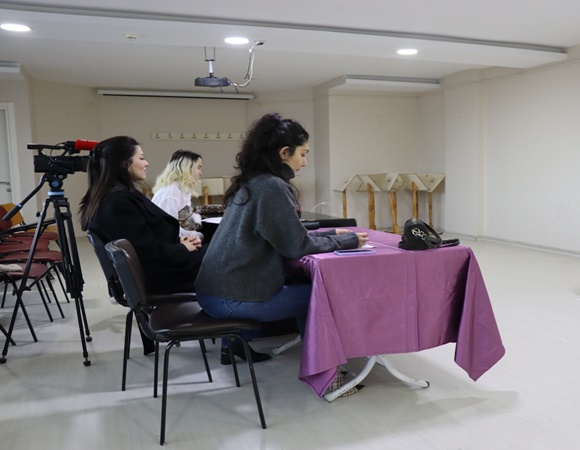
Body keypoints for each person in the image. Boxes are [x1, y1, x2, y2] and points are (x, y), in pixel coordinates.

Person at [195, 113, 367, 390]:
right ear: (284, 153)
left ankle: (232, 346)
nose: (305, 162)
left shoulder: (253, 182)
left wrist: (331, 234)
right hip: (229, 300)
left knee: (304, 284)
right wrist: (348, 241)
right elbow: (295, 246)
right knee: (320, 294)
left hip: (211, 292)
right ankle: (326, 375)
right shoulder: (272, 186)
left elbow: (286, 236)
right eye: (303, 154)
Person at [79, 136, 207, 354]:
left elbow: (143, 240)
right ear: (124, 163)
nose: (146, 163)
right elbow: (146, 252)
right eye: (141, 158)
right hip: (159, 276)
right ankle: (236, 331)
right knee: (227, 260)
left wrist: (179, 242)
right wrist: (182, 248)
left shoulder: (113, 196)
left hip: (157, 269)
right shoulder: (118, 201)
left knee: (220, 254)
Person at [152, 149, 205, 241]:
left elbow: (184, 223)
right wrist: (197, 236)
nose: (201, 173)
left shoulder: (182, 191)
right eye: (198, 167)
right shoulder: (171, 193)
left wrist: (195, 226)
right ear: (187, 168)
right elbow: (170, 230)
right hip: (169, 244)